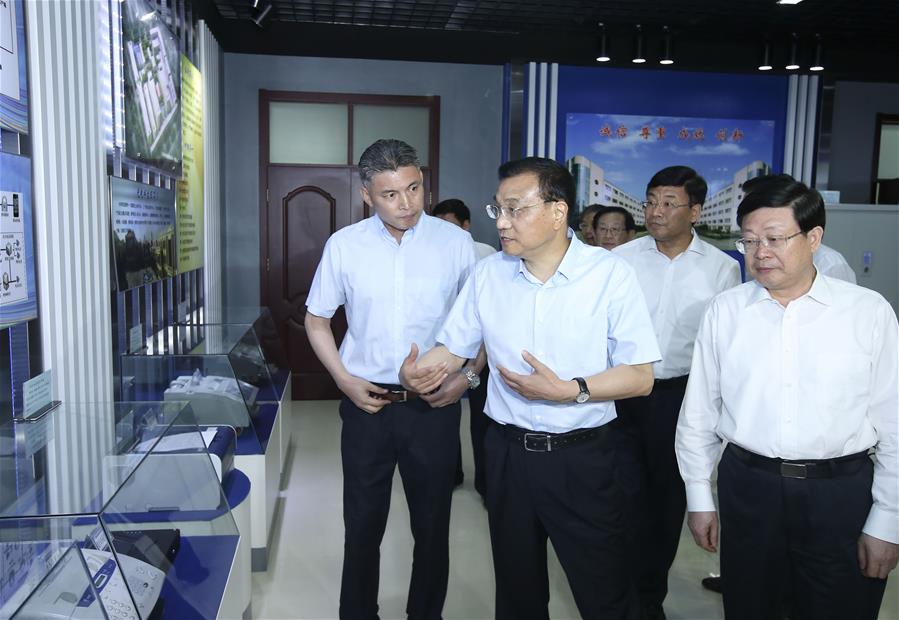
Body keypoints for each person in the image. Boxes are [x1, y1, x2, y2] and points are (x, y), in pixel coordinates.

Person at [400, 156, 661, 619]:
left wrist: (572, 390)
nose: (501, 222)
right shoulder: (489, 275)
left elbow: (640, 377)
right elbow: (452, 350)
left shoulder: (608, 275)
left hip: (583, 458)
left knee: (604, 591)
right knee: (518, 593)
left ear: (558, 211)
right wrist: (417, 373)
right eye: (497, 209)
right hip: (508, 455)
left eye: (515, 209)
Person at [676, 177, 898, 620]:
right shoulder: (727, 311)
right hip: (749, 488)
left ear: (814, 237)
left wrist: (887, 519)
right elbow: (699, 413)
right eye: (750, 241)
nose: (760, 253)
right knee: (751, 606)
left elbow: (893, 421)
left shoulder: (867, 312)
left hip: (840, 493)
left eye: (775, 239)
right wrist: (699, 496)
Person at [304, 139, 478, 620]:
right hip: (367, 406)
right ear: (366, 194)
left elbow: (483, 322)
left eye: (414, 188)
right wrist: (343, 380)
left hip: (434, 407)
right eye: (390, 195)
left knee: (433, 526)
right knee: (362, 525)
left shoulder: (456, 243)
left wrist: (467, 377)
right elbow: (316, 320)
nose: (407, 204)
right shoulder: (345, 246)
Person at [611, 166, 741, 619]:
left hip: (681, 398)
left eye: (669, 203)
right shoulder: (621, 260)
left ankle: (649, 601)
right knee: (621, 501)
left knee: (667, 504)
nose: (656, 211)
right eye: (650, 201)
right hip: (623, 393)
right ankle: (620, 599)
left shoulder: (723, 269)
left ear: (696, 211)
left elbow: (726, 346)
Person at [432, 197, 495, 498]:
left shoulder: (487, 254)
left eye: (451, 225)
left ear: (466, 225)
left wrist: (475, 367)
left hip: (483, 348)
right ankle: (451, 472)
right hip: (448, 346)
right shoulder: (432, 255)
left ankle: (485, 482)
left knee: (482, 419)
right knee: (444, 411)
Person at [432, 198, 497, 260]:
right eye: (437, 226)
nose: (442, 232)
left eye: (449, 227)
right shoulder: (430, 252)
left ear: (465, 225)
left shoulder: (486, 252)